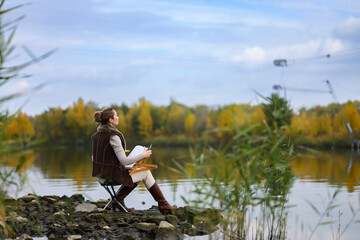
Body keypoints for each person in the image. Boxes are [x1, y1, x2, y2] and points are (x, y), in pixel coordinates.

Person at [91, 107, 174, 214]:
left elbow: (94, 158)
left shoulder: (96, 136)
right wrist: (142, 155)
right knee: (144, 171)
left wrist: (113, 159)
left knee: (136, 170)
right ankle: (163, 204)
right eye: (116, 115)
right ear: (110, 120)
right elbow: (124, 161)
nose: (118, 117)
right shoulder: (113, 137)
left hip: (100, 176)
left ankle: (117, 200)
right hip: (111, 177)